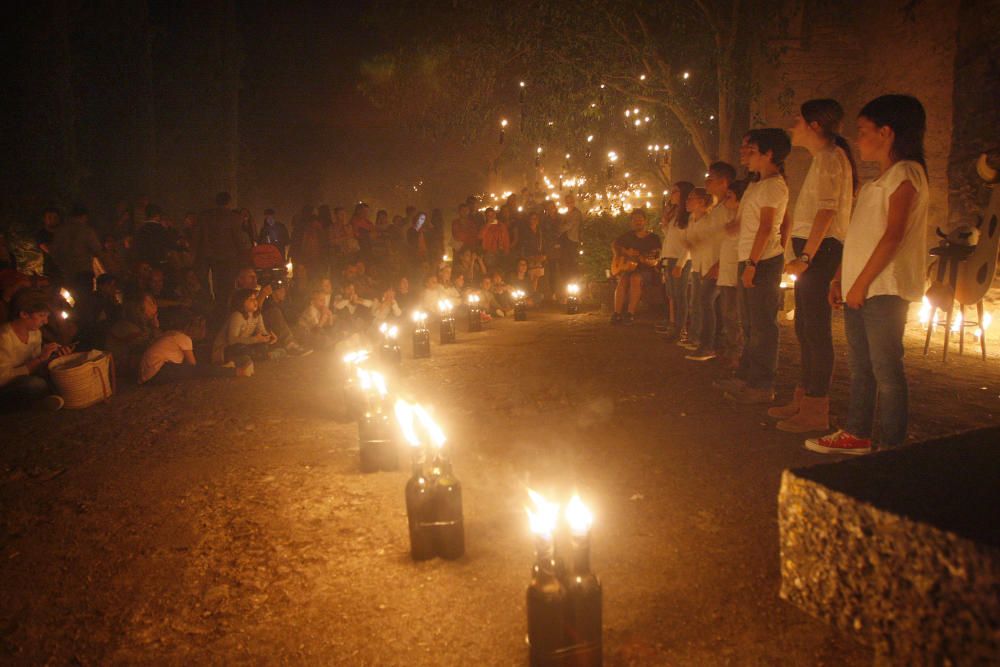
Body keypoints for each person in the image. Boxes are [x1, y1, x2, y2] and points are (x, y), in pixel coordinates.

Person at [807, 95, 928, 455]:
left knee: (886, 368)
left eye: (863, 131)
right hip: (862, 286)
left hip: (884, 288)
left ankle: (892, 446)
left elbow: (893, 236)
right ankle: (857, 433)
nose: (858, 139)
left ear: (886, 132)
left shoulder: (907, 174)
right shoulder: (882, 179)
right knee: (861, 365)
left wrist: (859, 284)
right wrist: (841, 278)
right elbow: (862, 235)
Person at [772, 99, 858, 432]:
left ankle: (816, 407)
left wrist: (806, 257)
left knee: (816, 330)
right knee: (805, 327)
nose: (793, 127)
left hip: (820, 252)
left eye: (798, 121)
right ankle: (803, 397)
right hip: (817, 251)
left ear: (815, 126)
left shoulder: (830, 159)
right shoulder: (825, 159)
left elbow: (826, 212)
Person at [724, 128, 791, 405]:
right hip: (749, 258)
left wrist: (753, 263)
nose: (745, 156)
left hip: (762, 261)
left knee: (763, 326)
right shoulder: (755, 184)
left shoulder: (775, 186)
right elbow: (749, 223)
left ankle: (762, 384)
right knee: (750, 324)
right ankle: (745, 376)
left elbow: (767, 228)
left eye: (751, 151)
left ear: (769, 154)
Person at [686, 175, 734, 362]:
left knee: (708, 304)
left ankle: (709, 345)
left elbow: (725, 239)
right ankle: (713, 344)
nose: (706, 182)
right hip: (707, 265)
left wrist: (718, 264)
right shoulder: (714, 213)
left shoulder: (721, 211)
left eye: (710, 179)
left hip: (717, 266)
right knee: (708, 305)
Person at [0, 288, 69, 411]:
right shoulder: (4, 337)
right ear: (24, 314)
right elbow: (2, 378)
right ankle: (36, 405)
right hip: (5, 386)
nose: (45, 321)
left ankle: (42, 400)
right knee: (34, 385)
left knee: (54, 373)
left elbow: (35, 364)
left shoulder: (35, 333)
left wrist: (53, 356)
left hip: (23, 379)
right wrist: (39, 359)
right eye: (41, 315)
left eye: (47, 316)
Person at [140, 310, 252, 384]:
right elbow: (193, 366)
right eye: (201, 327)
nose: (203, 331)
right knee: (198, 369)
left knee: (199, 358)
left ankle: (225, 367)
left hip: (147, 374)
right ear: (191, 327)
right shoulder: (183, 338)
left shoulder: (172, 333)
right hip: (159, 371)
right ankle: (236, 371)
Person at [713, 177, 749, 371]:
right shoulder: (729, 217)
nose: (726, 200)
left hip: (736, 272)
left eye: (730, 196)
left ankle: (737, 354)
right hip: (726, 272)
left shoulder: (745, 220)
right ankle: (731, 350)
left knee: (734, 315)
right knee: (727, 314)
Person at [194, 192, 250, 308]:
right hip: (228, 259)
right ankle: (224, 310)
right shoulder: (234, 218)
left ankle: (211, 309)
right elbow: (239, 239)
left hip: (207, 258)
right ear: (229, 202)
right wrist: (245, 257)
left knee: (212, 287)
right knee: (226, 288)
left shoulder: (204, 216)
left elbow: (197, 237)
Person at [656, 182, 694, 340]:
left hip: (680, 259)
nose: (672, 194)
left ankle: (681, 328)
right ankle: (675, 326)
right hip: (670, 257)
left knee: (680, 295)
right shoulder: (675, 214)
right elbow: (671, 237)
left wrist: (680, 263)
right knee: (672, 294)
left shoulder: (689, 216)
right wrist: (665, 225)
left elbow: (689, 243)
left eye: (675, 192)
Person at [611, 208, 661, 325]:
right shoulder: (627, 236)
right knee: (623, 280)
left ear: (645, 221)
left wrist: (644, 259)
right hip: (629, 268)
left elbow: (655, 258)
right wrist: (625, 252)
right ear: (631, 222)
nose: (637, 222)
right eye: (635, 220)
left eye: (640, 220)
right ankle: (617, 313)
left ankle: (630, 314)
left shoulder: (653, 238)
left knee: (635, 278)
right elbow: (614, 245)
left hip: (647, 270)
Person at [679, 188, 713, 351]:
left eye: (691, 198)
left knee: (703, 303)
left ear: (701, 202)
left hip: (707, 267)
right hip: (696, 266)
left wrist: (695, 244)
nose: (687, 201)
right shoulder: (692, 220)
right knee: (695, 302)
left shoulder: (709, 220)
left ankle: (701, 339)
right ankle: (694, 336)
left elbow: (711, 243)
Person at [212, 288, 280, 365]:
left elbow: (261, 332)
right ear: (241, 302)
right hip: (225, 349)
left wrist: (268, 337)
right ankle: (261, 356)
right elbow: (232, 340)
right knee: (241, 348)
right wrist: (255, 339)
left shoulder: (257, 315)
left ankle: (258, 356)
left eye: (255, 299)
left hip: (245, 344)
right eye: (251, 299)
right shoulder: (237, 316)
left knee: (262, 346)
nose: (255, 302)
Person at [51, 206, 101, 293]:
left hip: (67, 272)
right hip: (84, 271)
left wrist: (61, 265)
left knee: (71, 299)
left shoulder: (60, 232)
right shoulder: (86, 231)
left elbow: (54, 252)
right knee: (85, 298)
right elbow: (97, 250)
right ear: (84, 216)